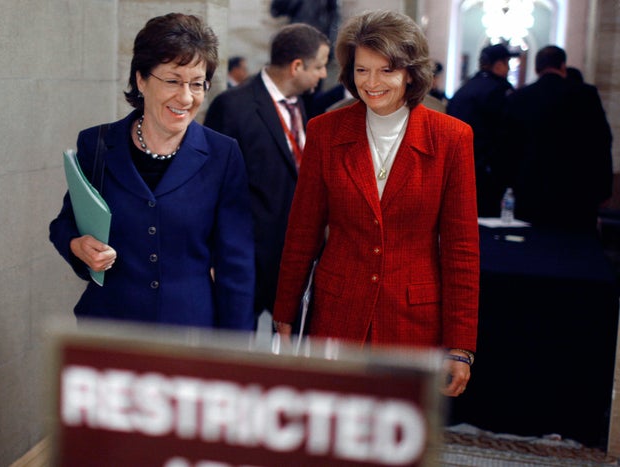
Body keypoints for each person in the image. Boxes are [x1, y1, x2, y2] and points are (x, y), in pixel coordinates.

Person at [272, 10, 479, 398]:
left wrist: (461, 345)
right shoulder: (325, 131)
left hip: (413, 321)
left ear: (410, 73)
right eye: (362, 70)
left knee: (398, 438)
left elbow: (461, 249)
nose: (372, 83)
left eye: (386, 70)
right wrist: (284, 313)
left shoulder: (452, 138)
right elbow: (302, 231)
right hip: (335, 313)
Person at [49, 13, 255, 330]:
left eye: (197, 84)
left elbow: (236, 266)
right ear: (142, 79)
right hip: (109, 331)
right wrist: (78, 246)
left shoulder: (223, 155)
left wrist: (236, 356)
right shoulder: (98, 145)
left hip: (189, 333)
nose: (186, 97)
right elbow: (65, 225)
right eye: (172, 81)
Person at [203, 23, 330, 322]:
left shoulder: (305, 104)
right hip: (246, 259)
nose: (324, 74)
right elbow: (210, 185)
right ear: (297, 66)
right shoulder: (233, 106)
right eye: (320, 66)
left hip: (293, 260)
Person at [504, 45, 613, 232]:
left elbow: (509, 146)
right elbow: (601, 142)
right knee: (575, 252)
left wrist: (509, 185)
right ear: (563, 66)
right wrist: (604, 189)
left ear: (537, 69)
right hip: (577, 190)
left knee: (532, 249)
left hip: (531, 189)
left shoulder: (520, 97)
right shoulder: (585, 95)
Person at [447, 43, 519, 217]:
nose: (508, 69)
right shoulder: (499, 90)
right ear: (499, 65)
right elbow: (505, 133)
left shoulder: (464, 89)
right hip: (486, 171)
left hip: (457, 167)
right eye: (507, 63)